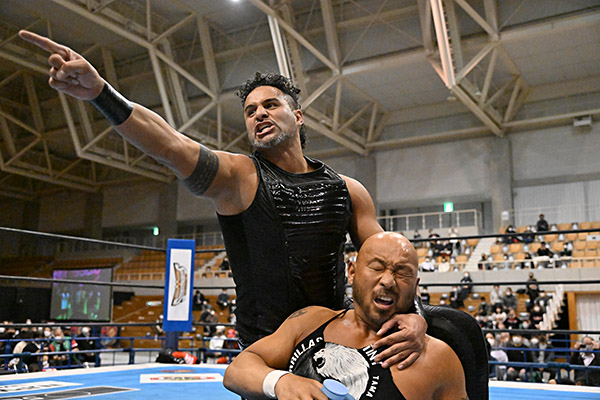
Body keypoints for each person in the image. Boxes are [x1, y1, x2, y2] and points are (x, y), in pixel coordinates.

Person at [19, 31, 427, 366]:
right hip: (267, 355)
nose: (259, 114)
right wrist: (100, 93)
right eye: (250, 111)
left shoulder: (348, 190)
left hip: (336, 347)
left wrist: (417, 317)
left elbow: (391, 263)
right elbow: (169, 145)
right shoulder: (239, 177)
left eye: (271, 105)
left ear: (298, 116)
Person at [223, 232, 468, 399]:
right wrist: (282, 382)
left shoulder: (438, 358)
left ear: (415, 286)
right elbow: (238, 369)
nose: (388, 281)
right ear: (352, 272)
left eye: (402, 273)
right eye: (377, 267)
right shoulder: (310, 320)